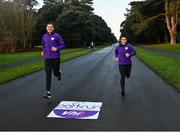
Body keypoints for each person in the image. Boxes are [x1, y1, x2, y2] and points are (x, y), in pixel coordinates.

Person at [41, 22, 65, 99]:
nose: (49, 28)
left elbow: (63, 45)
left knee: (55, 73)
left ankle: (58, 74)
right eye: (48, 27)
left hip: (56, 58)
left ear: (53, 28)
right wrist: (43, 51)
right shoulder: (44, 36)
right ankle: (48, 92)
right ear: (46, 28)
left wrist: (57, 48)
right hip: (47, 58)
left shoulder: (57, 36)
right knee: (48, 75)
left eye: (51, 27)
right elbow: (44, 46)